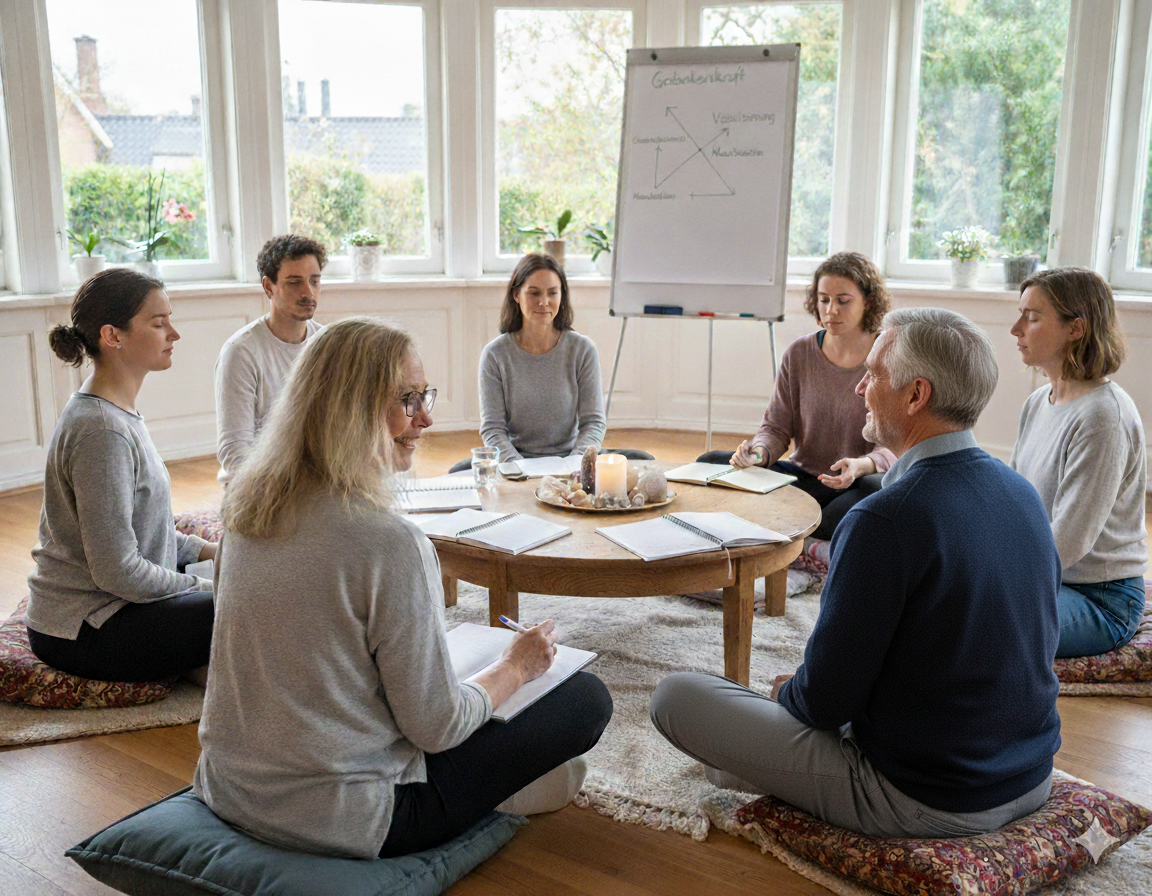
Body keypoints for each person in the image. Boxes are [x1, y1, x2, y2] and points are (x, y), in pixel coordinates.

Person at [194, 318, 612, 860]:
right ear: (349, 409)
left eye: (424, 395)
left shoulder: (245, 514)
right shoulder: (391, 543)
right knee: (584, 699)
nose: (427, 417)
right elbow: (436, 728)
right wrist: (516, 666)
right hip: (351, 818)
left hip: (228, 789)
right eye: (408, 400)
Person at [652, 307, 1062, 839]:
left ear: (916, 395)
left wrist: (785, 696)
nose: (860, 387)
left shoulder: (886, 519)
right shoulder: (1021, 492)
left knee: (676, 698)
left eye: (874, 374)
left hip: (927, 796)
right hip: (1030, 776)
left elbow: (824, 703)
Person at [25, 268, 215, 681]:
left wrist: (214, 554)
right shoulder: (102, 430)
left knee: (251, 582)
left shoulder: (116, 414)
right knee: (259, 600)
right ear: (113, 336)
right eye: (159, 322)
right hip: (87, 627)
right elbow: (118, 571)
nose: (174, 334)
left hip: (119, 604)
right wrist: (213, 589)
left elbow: (148, 527)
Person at [697, 252, 896, 543]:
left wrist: (861, 465)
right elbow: (776, 427)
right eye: (824, 299)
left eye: (843, 300)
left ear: (868, 301)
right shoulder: (800, 353)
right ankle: (800, 526)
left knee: (873, 497)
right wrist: (759, 454)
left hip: (856, 482)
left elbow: (894, 445)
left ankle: (793, 525)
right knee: (710, 462)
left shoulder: (889, 355)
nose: (831, 310)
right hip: (802, 479)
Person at [1009, 268, 1147, 658]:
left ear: (1076, 328)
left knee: (982, 623)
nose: (1016, 328)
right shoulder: (1038, 401)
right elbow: (1016, 499)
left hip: (1101, 598)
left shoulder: (1104, 416)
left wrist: (995, 579)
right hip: (1048, 578)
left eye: (1032, 317)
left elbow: (1067, 541)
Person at [449, 253, 652, 473]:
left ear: (562, 296)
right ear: (516, 295)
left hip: (572, 460)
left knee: (644, 460)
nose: (544, 302)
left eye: (552, 293)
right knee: (458, 475)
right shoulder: (495, 355)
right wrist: (519, 468)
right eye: (534, 293)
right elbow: (493, 429)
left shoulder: (582, 350)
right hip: (518, 461)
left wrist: (576, 464)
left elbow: (593, 423)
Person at [214, 233, 327, 484]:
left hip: (317, 482)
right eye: (294, 282)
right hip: (259, 488)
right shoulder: (241, 352)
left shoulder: (328, 343)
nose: (308, 292)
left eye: (315, 281)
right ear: (268, 286)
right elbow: (235, 454)